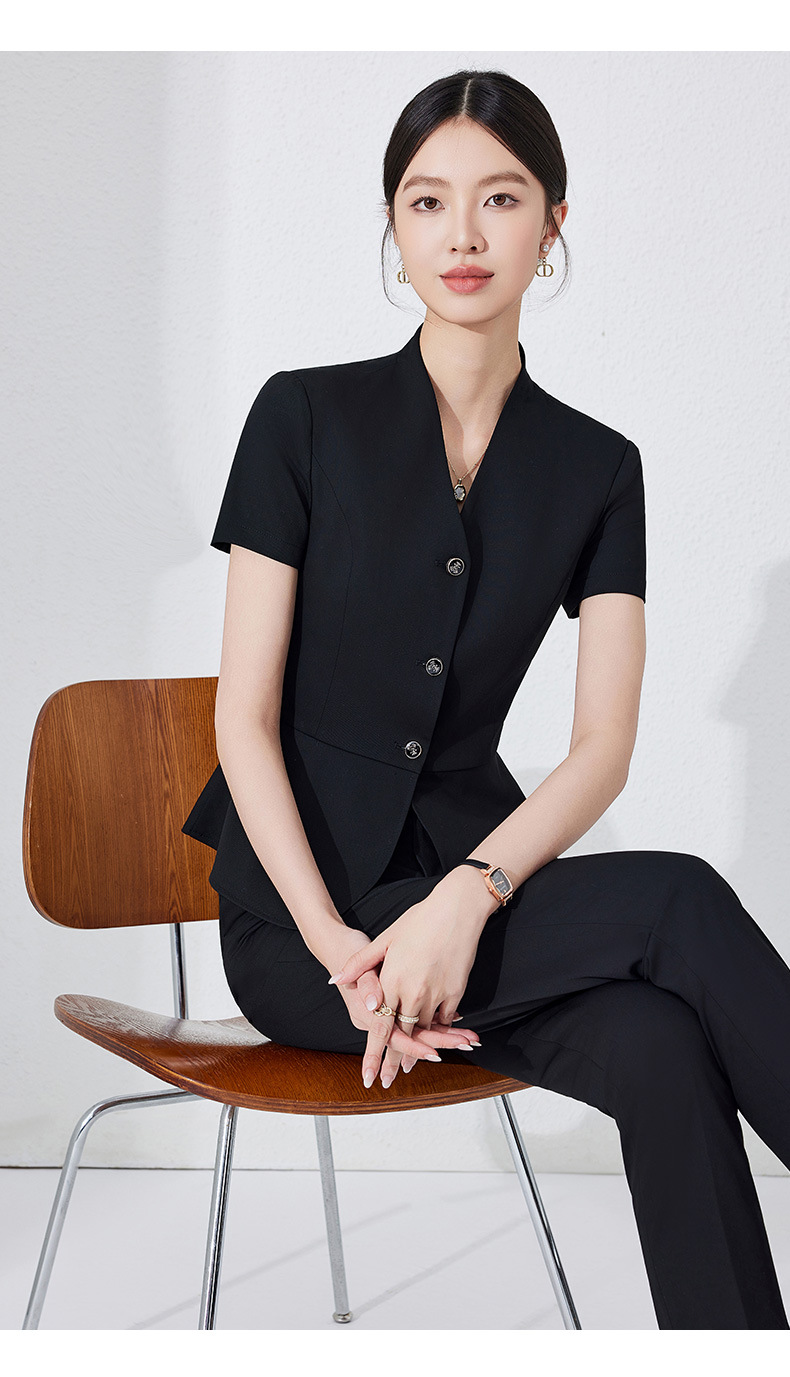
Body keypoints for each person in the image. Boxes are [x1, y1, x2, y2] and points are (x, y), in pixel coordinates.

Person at [181, 69, 790, 1329]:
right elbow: (243, 719)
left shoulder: (597, 467)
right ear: (392, 226)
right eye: (427, 201)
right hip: (307, 933)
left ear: (553, 222)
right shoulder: (303, 417)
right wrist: (339, 949)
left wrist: (467, 896)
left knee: (656, 1045)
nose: (462, 234)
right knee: (675, 897)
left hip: (467, 909)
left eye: (500, 199)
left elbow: (602, 747)